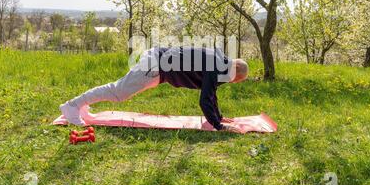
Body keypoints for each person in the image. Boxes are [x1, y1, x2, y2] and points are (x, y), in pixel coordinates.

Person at [60, 47, 249, 133]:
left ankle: (81, 105)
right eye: (237, 81)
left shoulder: (220, 59)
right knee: (118, 92)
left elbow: (211, 92)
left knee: (118, 91)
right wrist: (219, 126)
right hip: (155, 66)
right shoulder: (216, 68)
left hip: (159, 67)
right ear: (236, 76)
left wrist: (219, 117)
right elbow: (205, 98)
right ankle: (72, 106)